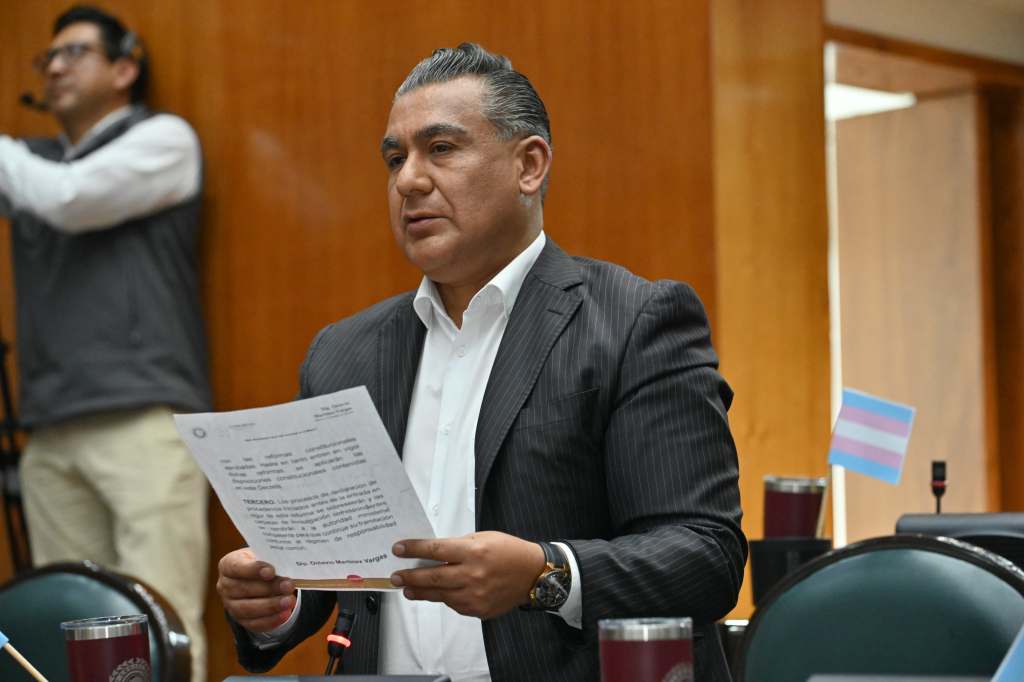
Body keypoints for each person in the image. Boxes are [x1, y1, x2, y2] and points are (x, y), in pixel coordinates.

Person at [217, 43, 745, 682]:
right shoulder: (342, 353)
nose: (409, 181)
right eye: (395, 158)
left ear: (529, 166)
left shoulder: (634, 322)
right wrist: (274, 605)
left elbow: (705, 557)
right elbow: (331, 575)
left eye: (440, 149)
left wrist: (547, 574)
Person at [0, 6, 211, 681]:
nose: (55, 66)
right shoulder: (29, 163)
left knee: (160, 627)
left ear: (125, 69)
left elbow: (69, 199)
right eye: (48, 57)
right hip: (50, 426)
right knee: (66, 636)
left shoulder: (163, 140)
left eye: (75, 52)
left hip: (143, 419)